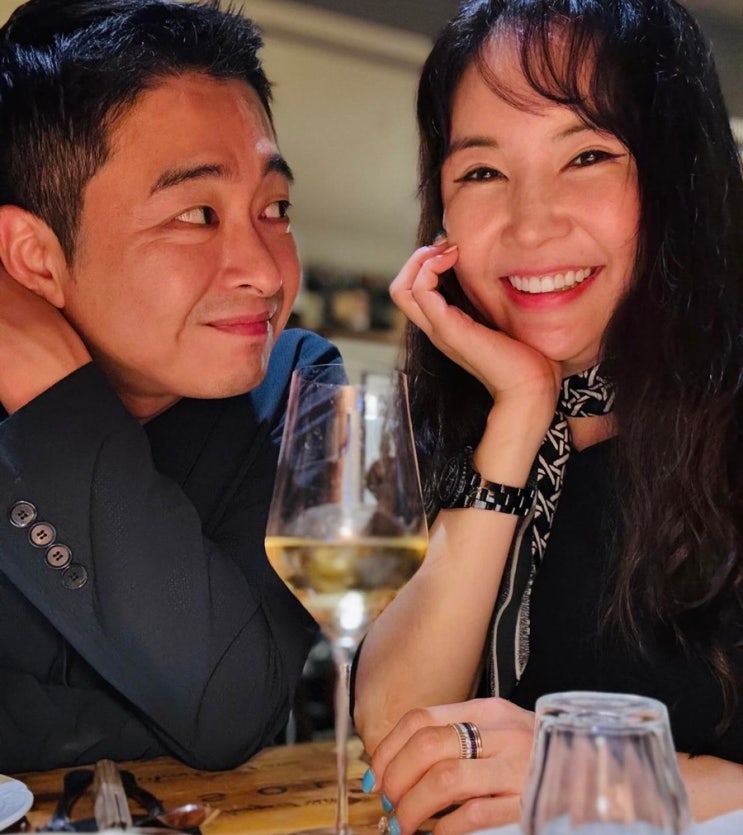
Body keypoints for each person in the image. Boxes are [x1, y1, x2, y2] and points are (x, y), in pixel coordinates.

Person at [352, 0, 743, 831]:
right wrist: (521, 410)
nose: (530, 224)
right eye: (481, 172)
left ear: (679, 179)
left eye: (588, 156)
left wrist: (600, 773)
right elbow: (398, 737)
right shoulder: (461, 424)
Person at [0, 0, 340, 773]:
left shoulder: (296, 385)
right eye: (196, 214)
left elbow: (235, 705)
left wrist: (56, 398)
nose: (265, 272)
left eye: (275, 208)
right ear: (34, 257)